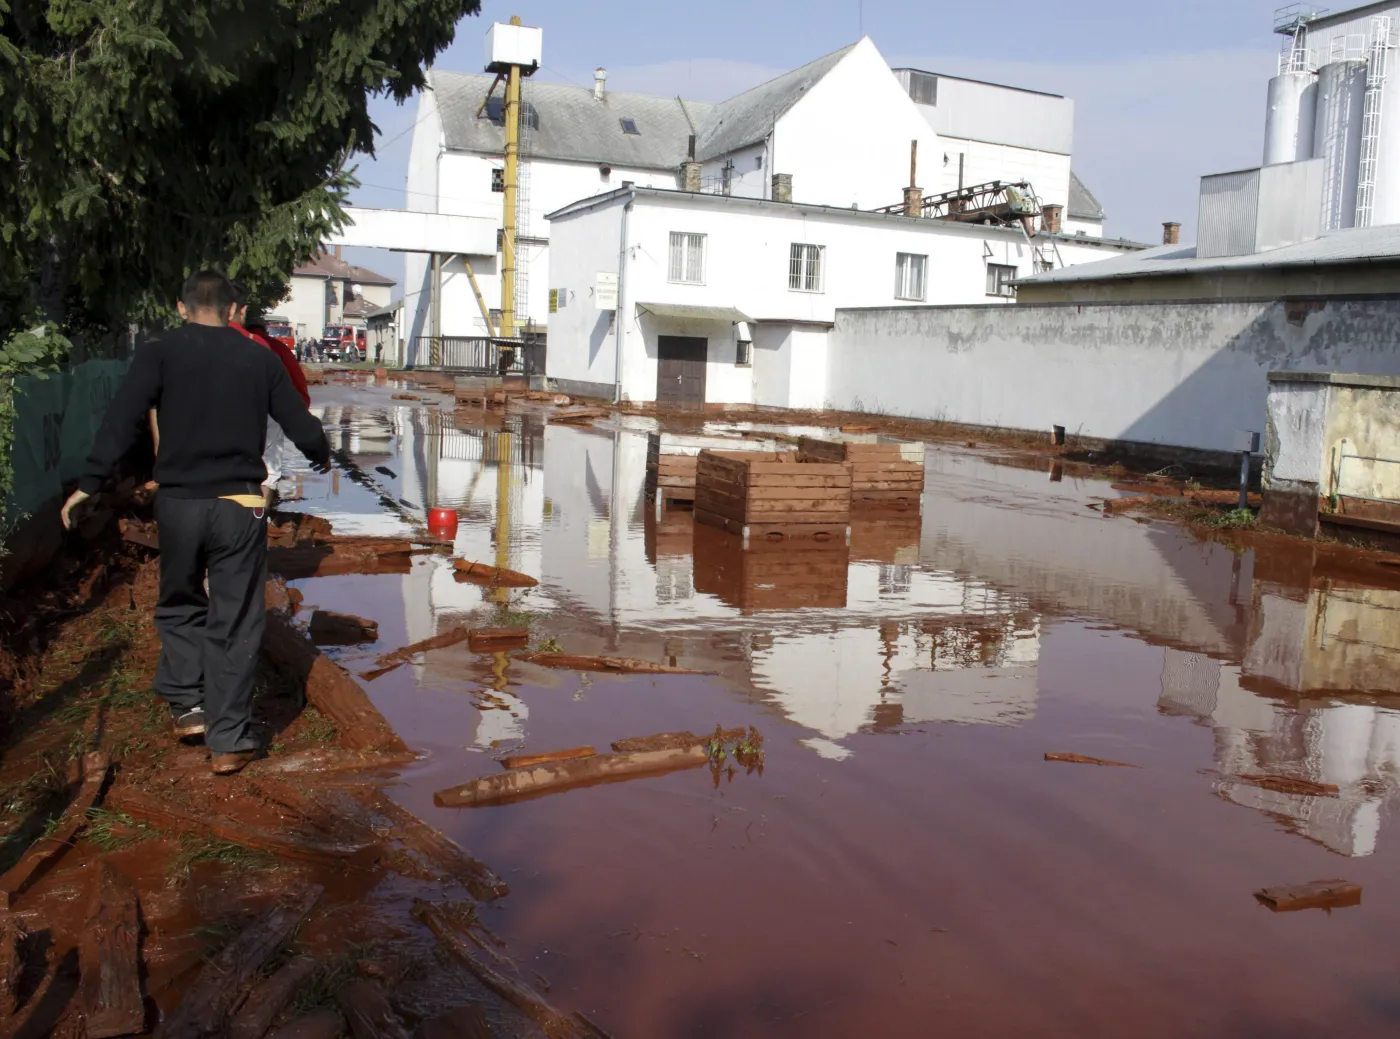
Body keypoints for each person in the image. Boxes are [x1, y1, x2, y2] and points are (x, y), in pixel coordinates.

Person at [61, 270, 331, 776]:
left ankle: (188, 709)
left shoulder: (160, 352)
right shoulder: (259, 357)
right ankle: (229, 740)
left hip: (180, 504)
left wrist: (91, 482)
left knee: (180, 601)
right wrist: (321, 454)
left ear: (181, 308)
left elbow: (121, 419)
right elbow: (298, 422)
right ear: (233, 312)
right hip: (240, 505)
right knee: (235, 616)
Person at [230, 286, 312, 504]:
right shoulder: (274, 348)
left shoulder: (224, 341)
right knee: (268, 470)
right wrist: (298, 414)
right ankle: (260, 518)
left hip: (231, 411)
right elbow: (296, 384)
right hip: (269, 412)